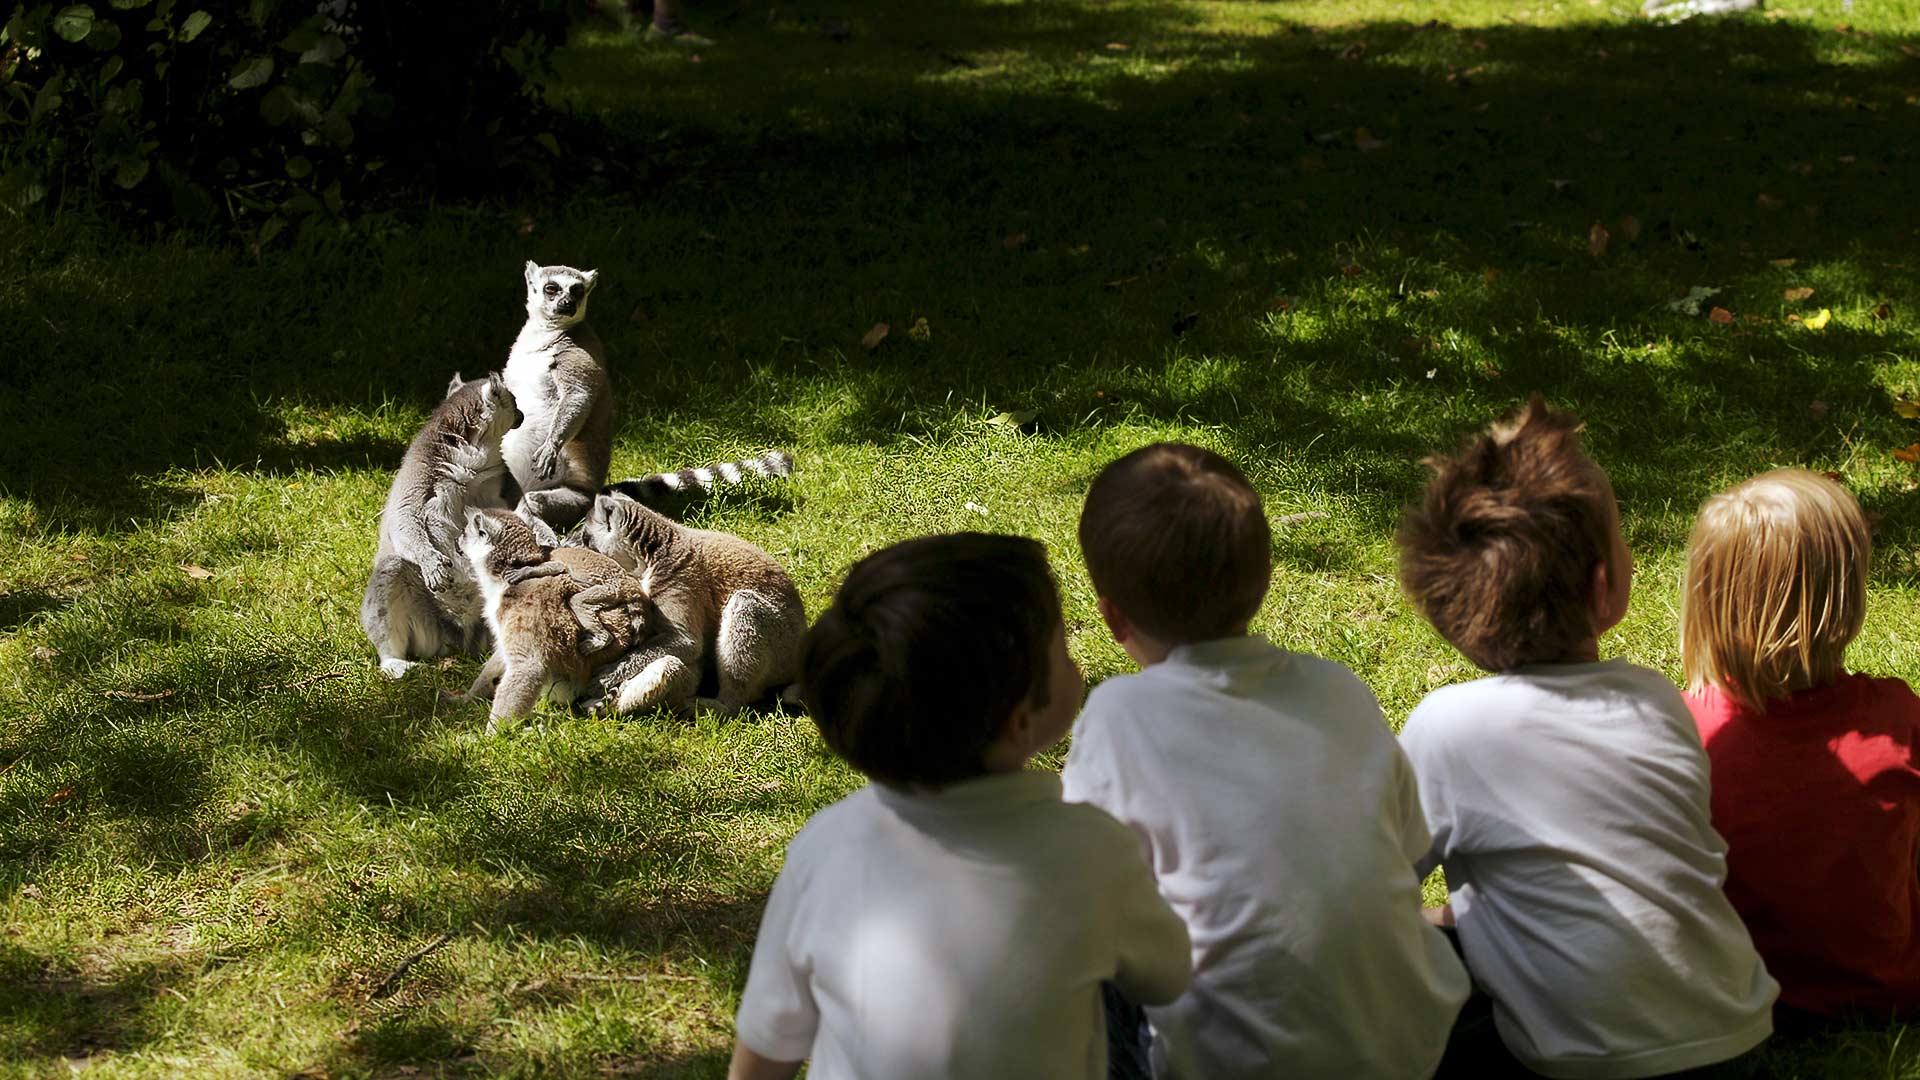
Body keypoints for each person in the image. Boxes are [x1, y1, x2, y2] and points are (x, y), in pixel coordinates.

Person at [1395, 398, 1778, 1078]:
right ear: (1606, 589)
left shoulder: (1447, 727)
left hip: (1577, 1063)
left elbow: (1376, 886)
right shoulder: (1656, 699)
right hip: (1733, 1034)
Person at [1061, 442, 1469, 1079]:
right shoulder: (1339, 688)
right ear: (1265, 577)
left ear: (1112, 617)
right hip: (1406, 1044)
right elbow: (1411, 855)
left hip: (1232, 1063)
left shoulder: (1117, 717)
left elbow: (1086, 897)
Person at [727, 532, 1192, 1080]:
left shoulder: (824, 845)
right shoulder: (1097, 847)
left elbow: (765, 1049)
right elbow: (1167, 976)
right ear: (1023, 718)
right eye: (1063, 647)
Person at [1681, 469, 1920, 1018]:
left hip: (1738, 994)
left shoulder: (1684, 731)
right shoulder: (1895, 717)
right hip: (1887, 988)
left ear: (1708, 598)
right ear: (1847, 598)